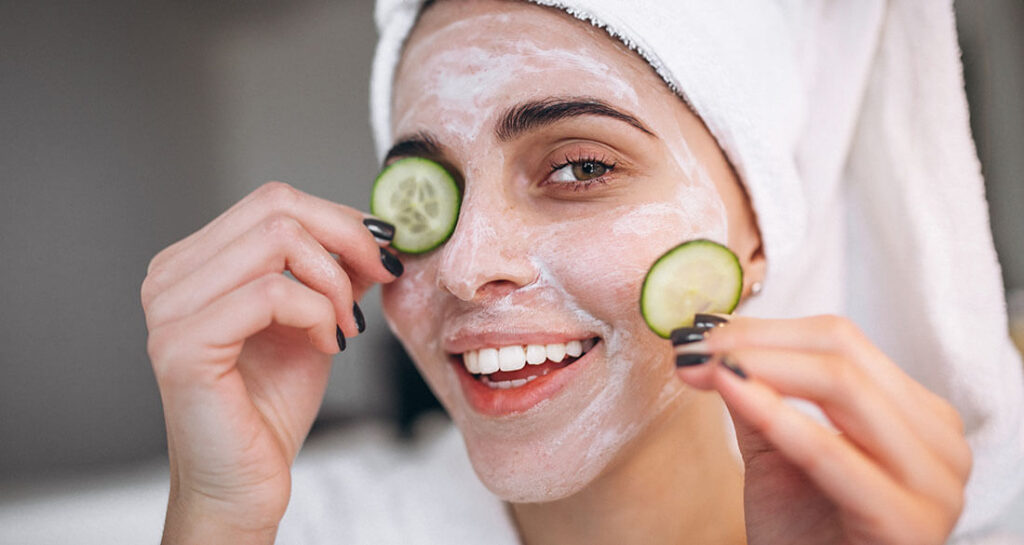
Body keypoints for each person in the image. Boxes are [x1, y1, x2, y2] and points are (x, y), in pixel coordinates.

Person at [140, 0, 1024, 543]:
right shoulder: (299, 529)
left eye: (580, 167)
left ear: (758, 232)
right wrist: (217, 514)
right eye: (427, 193)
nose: (464, 267)